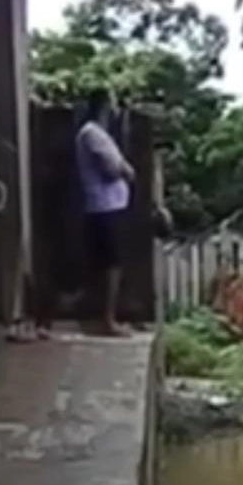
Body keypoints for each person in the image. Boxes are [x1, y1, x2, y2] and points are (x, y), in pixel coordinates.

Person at [76, 87, 135, 336]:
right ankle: (107, 321)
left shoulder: (98, 134)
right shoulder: (93, 134)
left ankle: (100, 318)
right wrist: (125, 169)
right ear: (103, 106)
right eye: (112, 104)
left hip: (107, 207)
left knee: (105, 264)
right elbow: (111, 169)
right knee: (111, 266)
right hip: (104, 207)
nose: (115, 110)